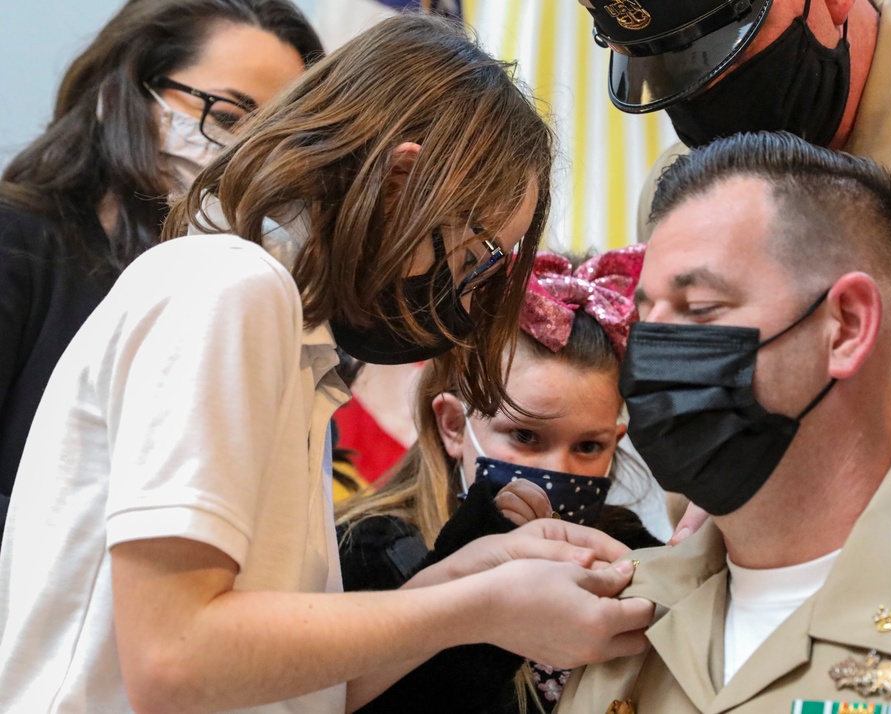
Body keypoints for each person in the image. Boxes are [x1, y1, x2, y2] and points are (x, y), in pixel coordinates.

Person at [0, 14, 654, 714]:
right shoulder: (226, 288)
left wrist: (467, 577)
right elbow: (174, 658)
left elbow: (304, 688)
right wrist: (477, 606)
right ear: (401, 180)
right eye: (470, 257)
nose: (462, 295)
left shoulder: (297, 350)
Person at [554, 131, 891, 713]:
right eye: (644, 316)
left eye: (701, 308)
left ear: (843, 327)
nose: (652, 349)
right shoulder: (618, 611)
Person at [579, 0, 891, 521]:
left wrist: (837, 455)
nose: (706, 93)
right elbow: (693, 483)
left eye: (725, 49)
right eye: (663, 66)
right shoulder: (684, 197)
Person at [0, 0, 324, 535]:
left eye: (273, 138)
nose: (244, 155)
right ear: (123, 90)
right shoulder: (16, 238)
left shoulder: (241, 294)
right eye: (226, 118)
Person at [336, 245, 662, 714]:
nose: (555, 471)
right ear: (453, 425)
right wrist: (476, 564)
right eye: (525, 436)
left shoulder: (625, 550)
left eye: (588, 447)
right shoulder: (368, 552)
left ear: (616, 440)